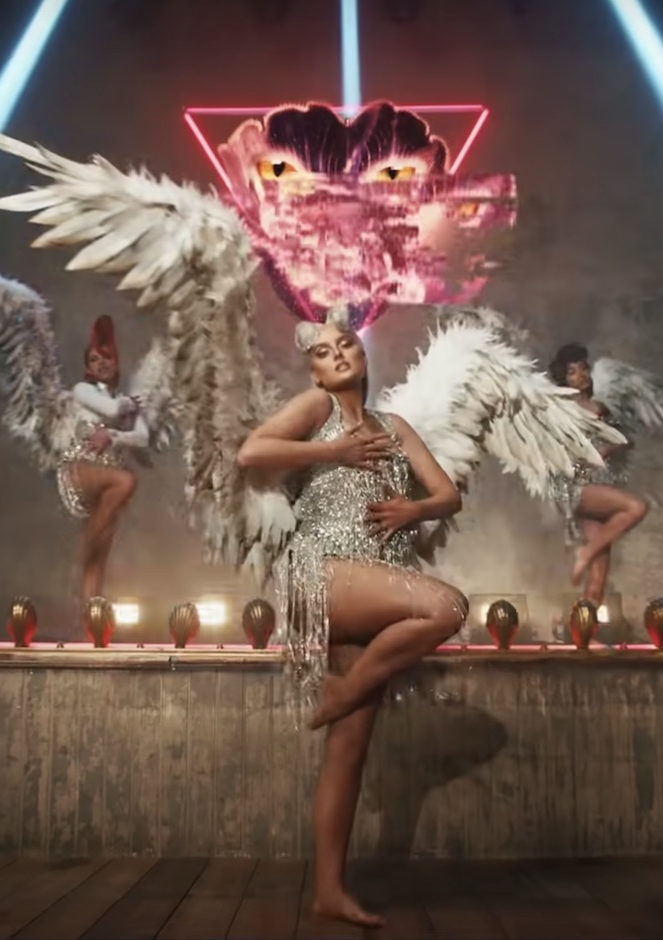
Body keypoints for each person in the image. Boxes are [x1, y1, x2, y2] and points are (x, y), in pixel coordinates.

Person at [235, 310, 467, 928]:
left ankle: (329, 891)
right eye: (323, 351)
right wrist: (333, 450)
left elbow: (448, 495)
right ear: (314, 370)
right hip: (322, 572)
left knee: (348, 748)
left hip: (374, 579)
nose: (336, 353)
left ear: (362, 356)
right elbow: (251, 451)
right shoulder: (318, 408)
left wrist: (412, 510)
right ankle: (341, 691)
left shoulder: (394, 426)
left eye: (345, 344)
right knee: (447, 606)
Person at [58, 315, 148, 604]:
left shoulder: (124, 400)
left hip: (107, 478)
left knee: (101, 555)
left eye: (107, 358)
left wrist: (113, 436)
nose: (101, 364)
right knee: (126, 481)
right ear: (88, 368)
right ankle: (79, 557)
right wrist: (129, 405)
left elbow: (142, 438)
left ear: (116, 362)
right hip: (80, 471)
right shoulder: (82, 390)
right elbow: (111, 410)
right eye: (94, 360)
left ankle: (91, 613)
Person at [548, 341, 648, 603]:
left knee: (598, 575)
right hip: (573, 487)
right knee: (636, 507)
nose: (581, 375)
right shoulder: (561, 411)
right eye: (572, 372)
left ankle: (584, 623)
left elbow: (625, 440)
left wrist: (605, 450)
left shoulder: (601, 410)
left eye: (583, 368)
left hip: (597, 485)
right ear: (564, 380)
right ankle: (586, 552)